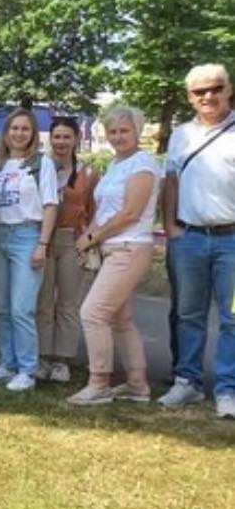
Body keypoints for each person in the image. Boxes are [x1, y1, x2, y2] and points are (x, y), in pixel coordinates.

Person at [66, 106, 160, 406]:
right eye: (113, 131)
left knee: (92, 313)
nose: (118, 137)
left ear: (137, 131)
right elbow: (104, 211)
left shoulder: (143, 165)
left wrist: (93, 237)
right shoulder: (117, 164)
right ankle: (137, 385)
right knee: (121, 319)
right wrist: (88, 238)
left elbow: (130, 213)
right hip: (112, 248)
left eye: (124, 130)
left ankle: (99, 384)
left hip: (129, 247)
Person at [159, 63, 235, 419]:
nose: (208, 96)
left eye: (215, 88)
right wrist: (170, 227)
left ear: (228, 90)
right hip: (189, 238)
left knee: (233, 317)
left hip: (231, 240)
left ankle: (227, 389)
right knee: (188, 315)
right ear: (190, 97)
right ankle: (187, 381)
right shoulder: (181, 136)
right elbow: (171, 182)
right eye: (199, 91)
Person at [0, 108, 59, 392]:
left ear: (32, 133)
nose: (19, 133)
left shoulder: (41, 163)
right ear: (6, 132)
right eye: (14, 128)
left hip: (27, 236)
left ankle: (27, 369)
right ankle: (7, 363)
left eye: (25, 129)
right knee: (1, 307)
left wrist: (43, 243)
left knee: (21, 308)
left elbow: (50, 205)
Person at [35, 117, 97, 383]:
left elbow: (95, 210)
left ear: (76, 139)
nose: (61, 142)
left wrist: (88, 239)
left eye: (66, 137)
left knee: (68, 303)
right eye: (57, 137)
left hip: (72, 239)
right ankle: (43, 355)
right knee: (43, 301)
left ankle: (62, 359)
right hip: (44, 240)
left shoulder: (88, 173)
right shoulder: (39, 167)